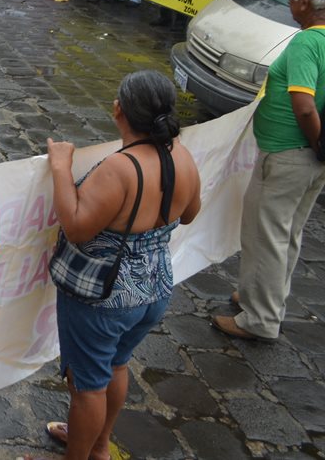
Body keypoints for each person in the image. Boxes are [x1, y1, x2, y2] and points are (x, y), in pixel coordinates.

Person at [45, 70, 201, 460]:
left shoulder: (120, 168)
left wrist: (61, 169)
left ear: (119, 110)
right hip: (155, 288)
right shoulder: (181, 155)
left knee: (87, 386)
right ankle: (98, 446)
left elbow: (78, 228)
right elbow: (190, 214)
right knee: (116, 365)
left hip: (106, 297)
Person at [211, 0, 325, 342]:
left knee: (266, 233)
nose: (290, 2)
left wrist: (315, 141)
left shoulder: (308, 42)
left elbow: (304, 104)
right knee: (287, 232)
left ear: (303, 2)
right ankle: (262, 295)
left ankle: (259, 319)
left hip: (289, 151)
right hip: (311, 158)